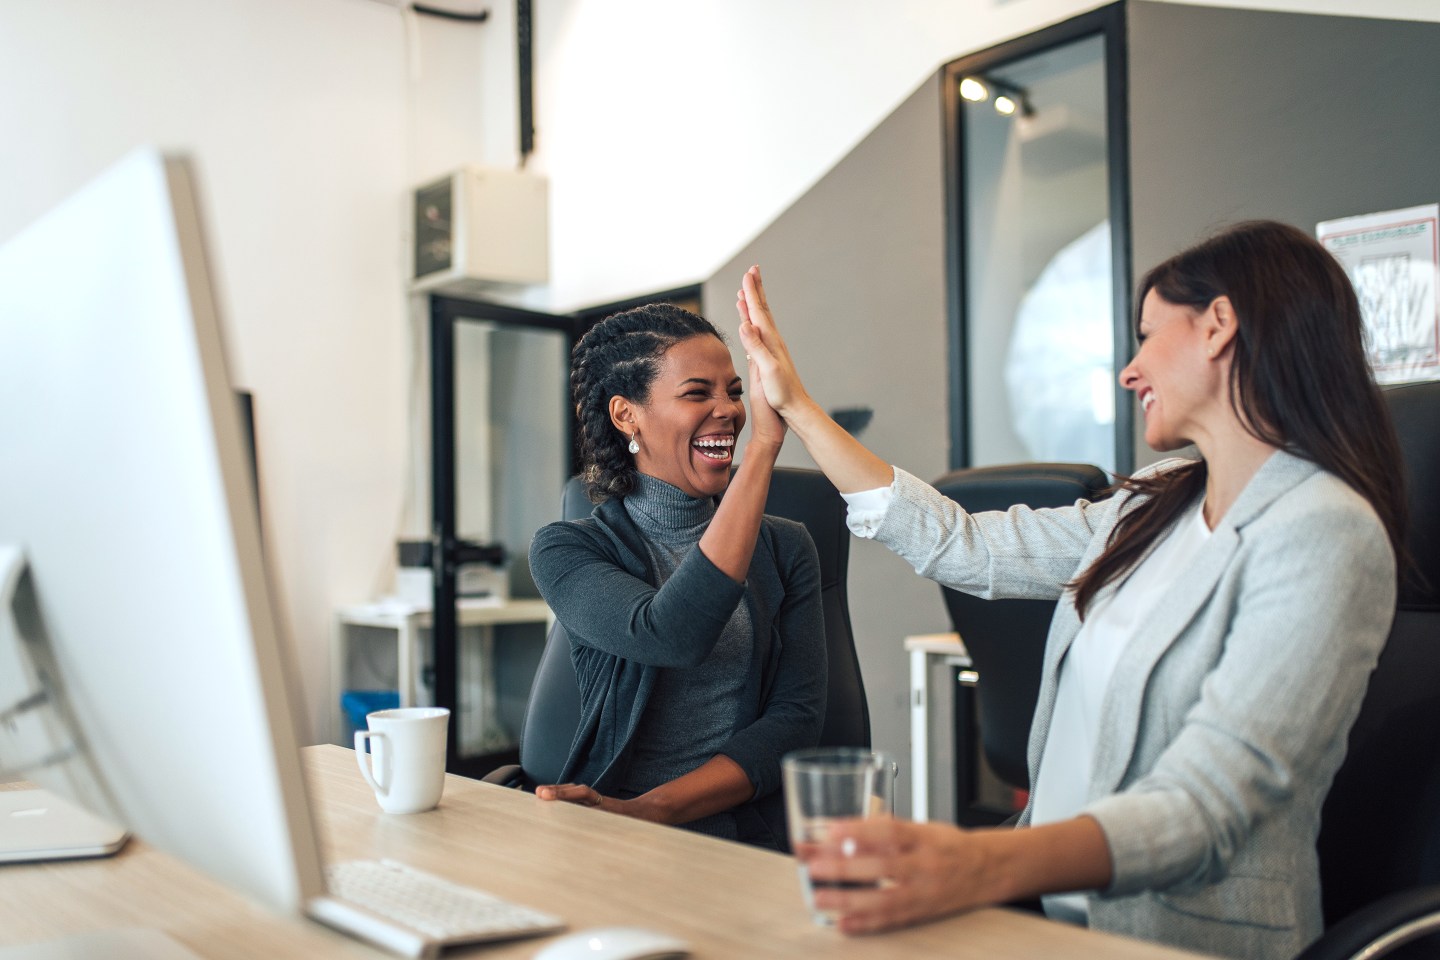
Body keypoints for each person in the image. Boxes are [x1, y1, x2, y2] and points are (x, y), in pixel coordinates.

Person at [735, 221, 1404, 959]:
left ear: (1219, 326)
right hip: (1049, 919)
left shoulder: (1324, 531)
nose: (1130, 369)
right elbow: (965, 545)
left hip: (1180, 943)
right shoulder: (1155, 502)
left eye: (1148, 335)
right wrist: (795, 405)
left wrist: (975, 863)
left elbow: (1208, 802)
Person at [528, 302, 826, 850]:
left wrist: (654, 810)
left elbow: (796, 718)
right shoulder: (568, 548)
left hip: (744, 836)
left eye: (736, 392)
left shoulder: (786, 547)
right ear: (627, 415)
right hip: (610, 828)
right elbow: (671, 634)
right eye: (697, 393)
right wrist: (763, 448)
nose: (730, 411)